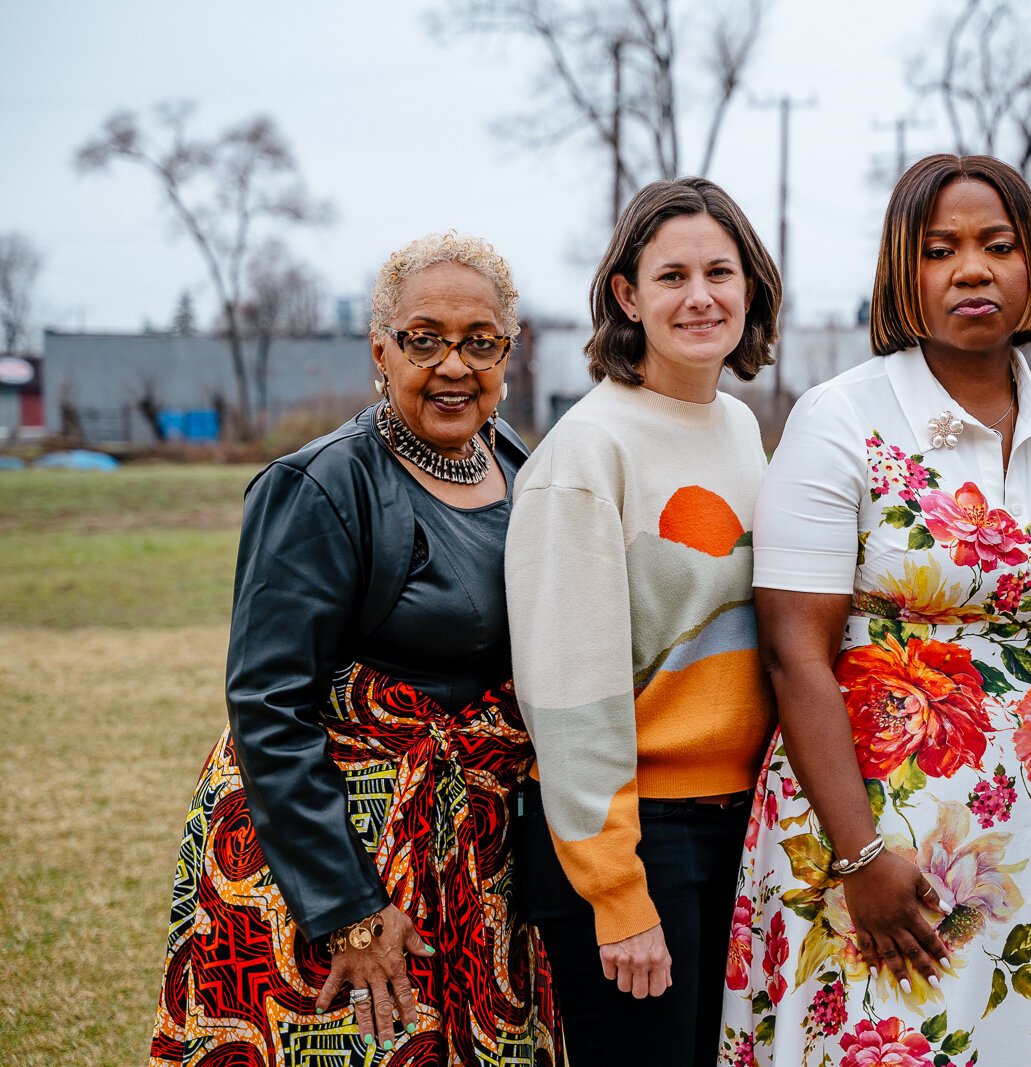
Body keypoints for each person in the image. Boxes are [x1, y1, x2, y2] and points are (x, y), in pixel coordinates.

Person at [721, 154, 1031, 1065]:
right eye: (940, 250)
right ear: (902, 273)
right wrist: (860, 857)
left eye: (998, 245)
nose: (972, 269)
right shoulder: (839, 418)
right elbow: (793, 653)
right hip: (874, 826)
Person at [150, 233, 562, 1066]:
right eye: (424, 339)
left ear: (508, 352)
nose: (453, 365)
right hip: (342, 854)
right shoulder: (319, 485)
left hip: (473, 850)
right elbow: (268, 705)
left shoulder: (523, 463)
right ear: (381, 351)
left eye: (480, 341)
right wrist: (347, 910)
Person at [505, 176, 781, 1066]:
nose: (700, 297)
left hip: (742, 824)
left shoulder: (739, 426)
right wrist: (618, 890)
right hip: (636, 837)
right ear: (628, 295)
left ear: (750, 287)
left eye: (719, 273)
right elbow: (567, 690)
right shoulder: (588, 450)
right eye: (672, 277)